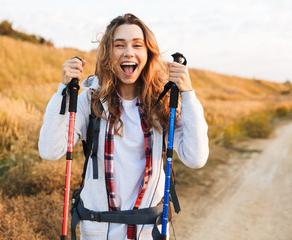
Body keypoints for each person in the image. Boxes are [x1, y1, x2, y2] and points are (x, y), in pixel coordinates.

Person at [38, 13, 209, 240]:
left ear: (148, 54)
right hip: (97, 232)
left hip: (149, 232)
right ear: (109, 53)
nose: (129, 51)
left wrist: (187, 95)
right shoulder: (90, 100)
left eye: (137, 45)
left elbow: (195, 158)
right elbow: (50, 151)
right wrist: (63, 90)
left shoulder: (162, 105)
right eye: (120, 45)